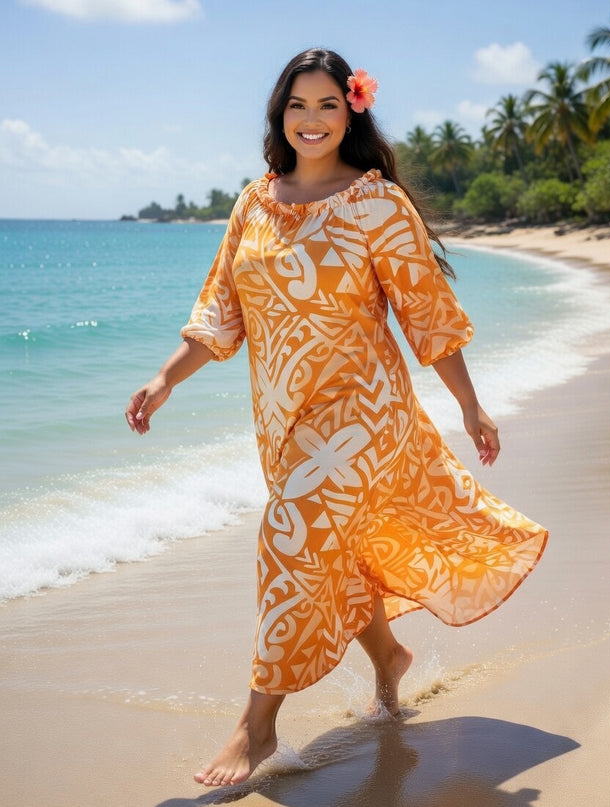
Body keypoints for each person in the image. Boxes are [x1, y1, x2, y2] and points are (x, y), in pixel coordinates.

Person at [125, 48, 548, 788]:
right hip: (284, 420)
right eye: (297, 104)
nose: (311, 120)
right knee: (333, 550)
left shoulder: (375, 203)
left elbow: (426, 312)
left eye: (327, 104)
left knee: (291, 544)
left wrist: (470, 403)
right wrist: (165, 378)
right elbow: (221, 310)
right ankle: (388, 656)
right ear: (278, 114)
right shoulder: (254, 203)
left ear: (350, 110)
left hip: (361, 415)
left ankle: (256, 728)